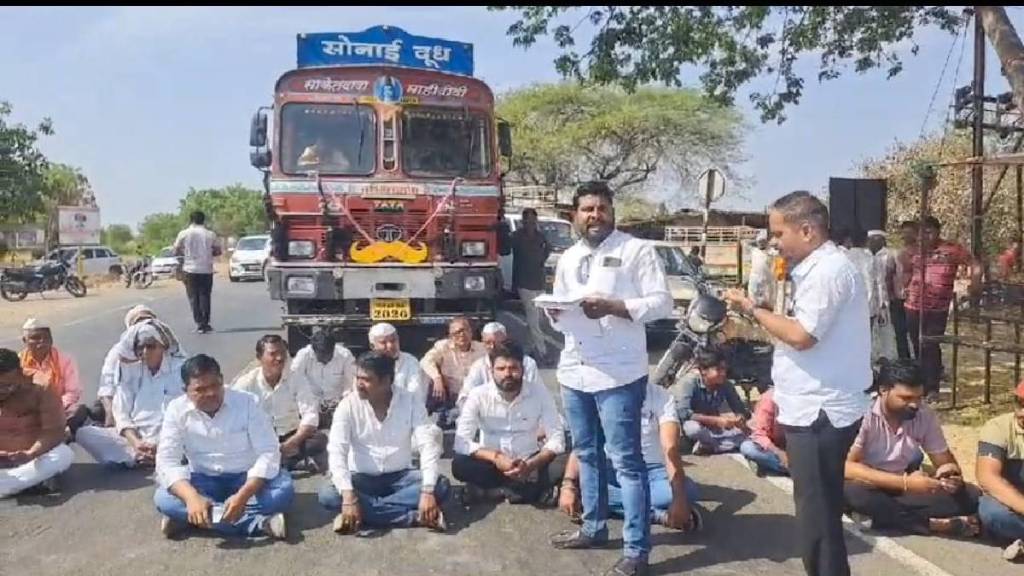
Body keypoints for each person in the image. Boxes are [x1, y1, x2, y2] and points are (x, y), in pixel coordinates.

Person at [724, 190, 871, 576]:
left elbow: (802, 335)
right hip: (810, 406)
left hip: (821, 411)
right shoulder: (814, 269)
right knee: (815, 512)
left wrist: (752, 309)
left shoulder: (828, 271)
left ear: (806, 230)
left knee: (817, 516)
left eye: (778, 233)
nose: (774, 243)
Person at [542, 181, 673, 576]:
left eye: (601, 208)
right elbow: (563, 304)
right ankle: (594, 526)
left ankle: (636, 551)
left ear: (612, 212)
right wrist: (556, 314)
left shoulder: (636, 250)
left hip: (618, 374)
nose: (594, 215)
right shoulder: (569, 257)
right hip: (575, 369)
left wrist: (615, 307)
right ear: (575, 215)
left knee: (627, 462)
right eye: (587, 209)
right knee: (586, 454)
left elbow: (662, 303)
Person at [154, 354, 293, 540]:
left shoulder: (247, 402)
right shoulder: (176, 410)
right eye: (200, 390)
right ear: (185, 391)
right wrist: (191, 498)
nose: (210, 393)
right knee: (163, 498)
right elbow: (166, 461)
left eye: (214, 385)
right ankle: (257, 524)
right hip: (203, 480)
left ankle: (194, 518)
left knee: (283, 490)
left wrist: (243, 496)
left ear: (222, 381)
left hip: (246, 479)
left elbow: (268, 452)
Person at [843, 360, 979, 537]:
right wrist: (905, 483)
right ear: (884, 390)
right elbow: (847, 467)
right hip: (867, 483)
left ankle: (879, 517)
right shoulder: (863, 414)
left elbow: (945, 462)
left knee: (971, 495)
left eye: (919, 398)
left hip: (903, 489)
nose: (914, 404)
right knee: (854, 493)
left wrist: (950, 476)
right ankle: (932, 525)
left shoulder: (924, 415)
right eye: (906, 398)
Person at [318, 351, 449, 534]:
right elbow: (337, 451)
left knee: (440, 485)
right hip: (361, 477)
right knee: (328, 494)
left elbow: (428, 445)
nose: (359, 384)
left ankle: (363, 514)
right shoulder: (347, 405)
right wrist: (348, 496)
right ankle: (414, 517)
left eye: (366, 379)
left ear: (387, 380)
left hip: (401, 476)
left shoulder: (410, 401)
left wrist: (427, 492)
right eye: (357, 378)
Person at [559, 379, 702, 532]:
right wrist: (568, 485)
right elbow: (585, 446)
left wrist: (679, 497)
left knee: (688, 490)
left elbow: (670, 448)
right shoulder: (600, 394)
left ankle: (603, 505)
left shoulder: (661, 396)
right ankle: (656, 515)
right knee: (588, 483)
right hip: (611, 469)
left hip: (653, 472)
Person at [454, 341, 566, 504]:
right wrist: (496, 457)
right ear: (491, 371)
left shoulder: (539, 393)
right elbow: (461, 442)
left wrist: (532, 464)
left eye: (513, 368)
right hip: (492, 464)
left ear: (523, 369)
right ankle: (525, 492)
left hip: (530, 461)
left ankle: (493, 492)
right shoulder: (478, 395)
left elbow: (557, 437)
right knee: (460, 464)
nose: (508, 373)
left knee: (567, 462)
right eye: (501, 369)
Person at [76, 323, 185, 468]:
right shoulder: (131, 371)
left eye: (151, 346)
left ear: (163, 347)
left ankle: (155, 456)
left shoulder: (181, 370)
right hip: (136, 438)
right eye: (141, 348)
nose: (145, 352)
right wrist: (135, 442)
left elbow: (188, 414)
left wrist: (160, 443)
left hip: (170, 437)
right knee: (84, 434)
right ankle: (144, 455)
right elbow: (121, 412)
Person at [904, 216, 981, 403]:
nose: (925, 236)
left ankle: (932, 388)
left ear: (937, 231)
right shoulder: (913, 250)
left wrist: (975, 283)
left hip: (938, 308)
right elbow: (905, 271)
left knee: (930, 344)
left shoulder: (952, 250)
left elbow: (975, 264)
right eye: (921, 232)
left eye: (929, 231)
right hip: (913, 306)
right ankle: (920, 384)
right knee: (917, 345)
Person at [232, 335, 325, 472]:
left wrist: (293, 441)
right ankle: (286, 462)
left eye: (282, 353)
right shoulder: (245, 384)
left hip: (291, 436)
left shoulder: (296, 377)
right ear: (259, 358)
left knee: (321, 440)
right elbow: (233, 418)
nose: (280, 358)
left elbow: (310, 413)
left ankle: (279, 462)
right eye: (273, 354)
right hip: (261, 438)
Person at [0, 348, 74, 498]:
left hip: (34, 457)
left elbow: (54, 431)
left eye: (7, 385)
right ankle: (26, 482)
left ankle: (8, 483)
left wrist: (31, 453)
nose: (2, 391)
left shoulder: (41, 386)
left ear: (21, 373)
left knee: (63, 455)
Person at [976, 381, 1024, 562]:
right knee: (992, 514)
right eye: (1020, 404)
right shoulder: (998, 427)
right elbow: (988, 478)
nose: (1022, 412)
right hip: (1010, 499)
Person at [670, 347, 751, 455]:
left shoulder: (725, 384)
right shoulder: (688, 382)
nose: (723, 373)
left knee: (748, 433)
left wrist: (740, 419)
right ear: (703, 370)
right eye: (718, 369)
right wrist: (716, 420)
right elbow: (683, 413)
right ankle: (718, 445)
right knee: (693, 428)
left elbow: (740, 409)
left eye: (724, 370)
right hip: (687, 428)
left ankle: (710, 446)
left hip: (711, 429)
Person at [19, 318, 88, 438]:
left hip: (60, 409)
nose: (42, 342)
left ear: (51, 340)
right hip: (28, 413)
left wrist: (51, 408)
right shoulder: (17, 363)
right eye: (35, 338)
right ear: (25, 340)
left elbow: (72, 392)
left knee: (78, 411)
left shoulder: (65, 360)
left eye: (46, 338)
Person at [420, 317, 486, 426]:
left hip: (474, 397)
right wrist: (437, 378)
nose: (461, 335)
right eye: (456, 333)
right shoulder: (442, 346)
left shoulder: (482, 349)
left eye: (464, 330)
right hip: (449, 396)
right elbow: (425, 362)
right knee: (425, 375)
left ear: (471, 332)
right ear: (450, 336)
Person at [457, 321, 541, 406]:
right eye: (488, 343)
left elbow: (537, 393)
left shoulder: (527, 363)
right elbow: (464, 397)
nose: (492, 347)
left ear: (506, 340)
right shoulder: (479, 366)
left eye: (497, 343)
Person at [511, 208, 553, 364]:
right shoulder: (517, 236)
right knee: (534, 319)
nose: (530, 223)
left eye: (533, 220)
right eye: (527, 220)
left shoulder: (540, 237)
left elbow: (548, 249)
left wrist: (540, 260)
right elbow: (505, 249)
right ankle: (542, 352)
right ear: (523, 221)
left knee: (538, 319)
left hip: (539, 281)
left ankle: (527, 350)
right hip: (524, 282)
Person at [290, 328, 355, 429]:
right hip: (309, 406)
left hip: (337, 406)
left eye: (328, 356)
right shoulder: (303, 355)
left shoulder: (345, 355)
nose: (325, 360)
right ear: (313, 350)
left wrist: (342, 403)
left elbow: (351, 384)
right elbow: (293, 382)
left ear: (334, 348)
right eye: (321, 357)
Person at [173, 210, 222, 334]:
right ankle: (205, 323)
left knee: (193, 297)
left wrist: (185, 253)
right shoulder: (210, 234)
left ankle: (199, 323)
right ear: (203, 220)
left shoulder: (183, 234)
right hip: (206, 269)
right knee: (205, 295)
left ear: (191, 220)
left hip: (189, 269)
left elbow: (176, 250)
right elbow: (218, 251)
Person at [368, 323, 428, 405]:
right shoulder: (367, 366)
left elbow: (415, 394)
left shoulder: (410, 362)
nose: (390, 346)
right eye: (383, 343)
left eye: (393, 341)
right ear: (372, 346)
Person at [740, 387, 790, 476]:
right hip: (769, 444)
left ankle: (767, 465)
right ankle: (789, 469)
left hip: (791, 443)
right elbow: (759, 434)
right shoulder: (770, 399)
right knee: (748, 448)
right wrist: (779, 452)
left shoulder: (805, 398)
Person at [867, 230, 898, 362]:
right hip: (869, 299)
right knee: (867, 330)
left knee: (885, 328)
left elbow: (887, 279)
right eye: (871, 239)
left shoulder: (889, 255)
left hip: (884, 297)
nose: (873, 242)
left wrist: (886, 299)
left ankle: (886, 355)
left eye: (876, 239)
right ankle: (869, 355)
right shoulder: (865, 255)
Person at [892, 221, 919, 360]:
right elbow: (890, 274)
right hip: (898, 298)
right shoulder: (896, 253)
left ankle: (922, 362)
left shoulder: (921, 253)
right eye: (904, 232)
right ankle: (905, 362)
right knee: (900, 333)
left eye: (910, 232)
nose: (907, 235)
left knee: (917, 334)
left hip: (915, 300)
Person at [748, 232, 775, 309]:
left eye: (763, 241)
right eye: (760, 241)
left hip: (767, 280)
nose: (761, 243)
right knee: (754, 299)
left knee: (767, 298)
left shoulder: (771, 252)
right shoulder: (755, 251)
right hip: (755, 278)